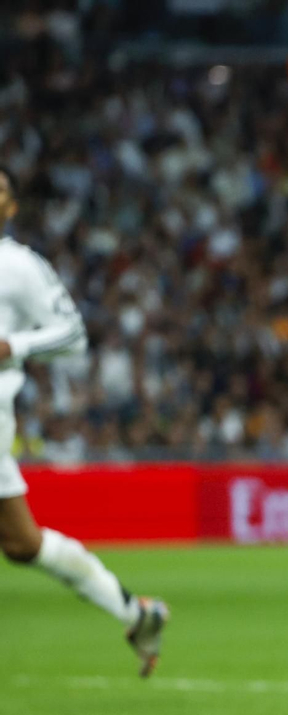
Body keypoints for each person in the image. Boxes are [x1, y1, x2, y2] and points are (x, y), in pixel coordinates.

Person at [0, 165, 168, 676]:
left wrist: (14, 345)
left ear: (9, 208)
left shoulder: (18, 267)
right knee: (21, 543)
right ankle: (136, 613)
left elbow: (72, 332)